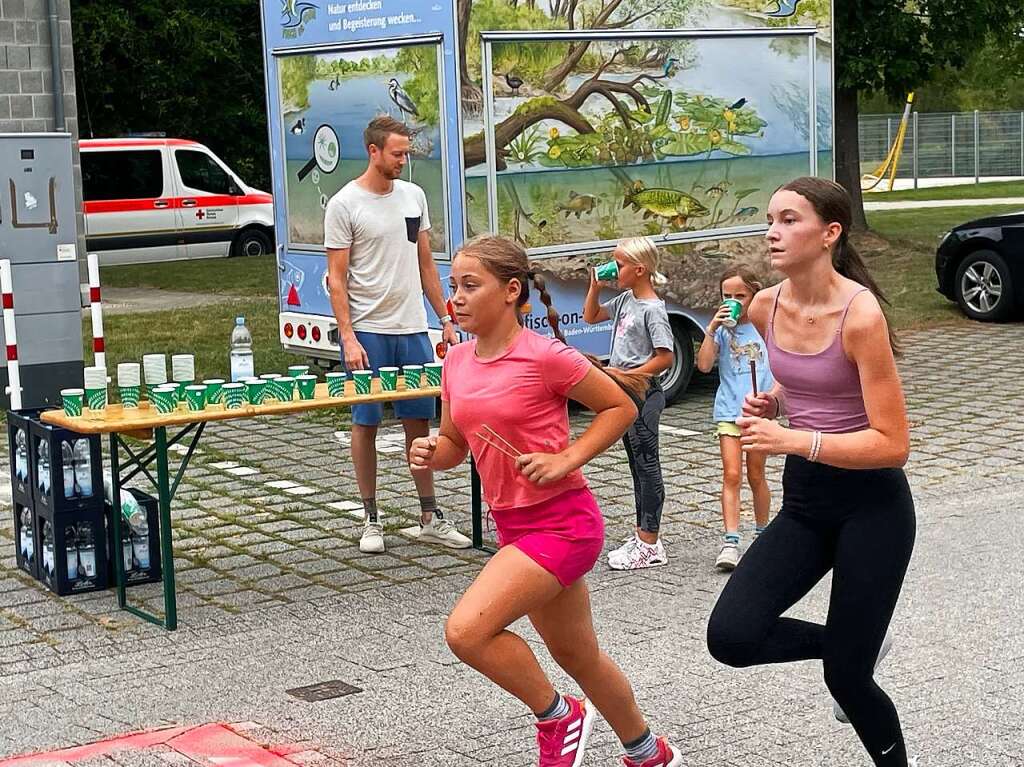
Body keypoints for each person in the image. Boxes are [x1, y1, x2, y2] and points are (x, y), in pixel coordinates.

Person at [409, 235, 681, 767]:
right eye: (453, 286)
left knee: (467, 631)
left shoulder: (544, 355)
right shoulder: (457, 361)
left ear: (512, 291)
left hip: (563, 525)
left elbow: (619, 407)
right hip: (513, 523)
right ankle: (649, 753)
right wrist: (429, 452)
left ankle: (558, 715)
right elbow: (454, 446)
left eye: (470, 285)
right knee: (579, 655)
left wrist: (567, 459)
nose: (456, 297)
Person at [705, 177, 915, 766]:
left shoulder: (860, 313)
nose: (773, 231)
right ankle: (857, 648)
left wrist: (792, 437)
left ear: (829, 233)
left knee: (846, 681)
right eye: (771, 218)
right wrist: (774, 397)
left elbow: (892, 444)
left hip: (872, 505)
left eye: (790, 219)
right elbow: (803, 376)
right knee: (733, 638)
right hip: (807, 502)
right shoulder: (765, 305)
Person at [324, 115, 470, 553]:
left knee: (419, 423)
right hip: (369, 330)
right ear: (373, 151)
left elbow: (426, 264)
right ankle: (371, 518)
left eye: (407, 153)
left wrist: (444, 316)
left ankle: (429, 514)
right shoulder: (344, 204)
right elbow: (337, 278)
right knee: (365, 422)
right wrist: (348, 338)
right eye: (397, 153)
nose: (404, 160)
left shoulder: (414, 197)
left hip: (411, 328)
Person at [583, 237, 675, 570]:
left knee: (648, 466)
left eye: (619, 265)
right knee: (636, 465)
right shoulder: (626, 299)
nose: (614, 269)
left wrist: (629, 375)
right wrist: (595, 284)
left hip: (644, 394)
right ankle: (642, 536)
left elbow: (666, 356)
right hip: (624, 391)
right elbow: (591, 316)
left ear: (639, 269)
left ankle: (650, 542)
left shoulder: (653, 309)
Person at [696, 267, 774, 571]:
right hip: (729, 410)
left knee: (756, 474)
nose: (732, 301)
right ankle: (730, 542)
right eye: (726, 296)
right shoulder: (722, 331)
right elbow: (703, 365)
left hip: (759, 411)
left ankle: (763, 534)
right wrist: (711, 329)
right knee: (731, 474)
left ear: (754, 295)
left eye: (739, 296)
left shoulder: (765, 325)